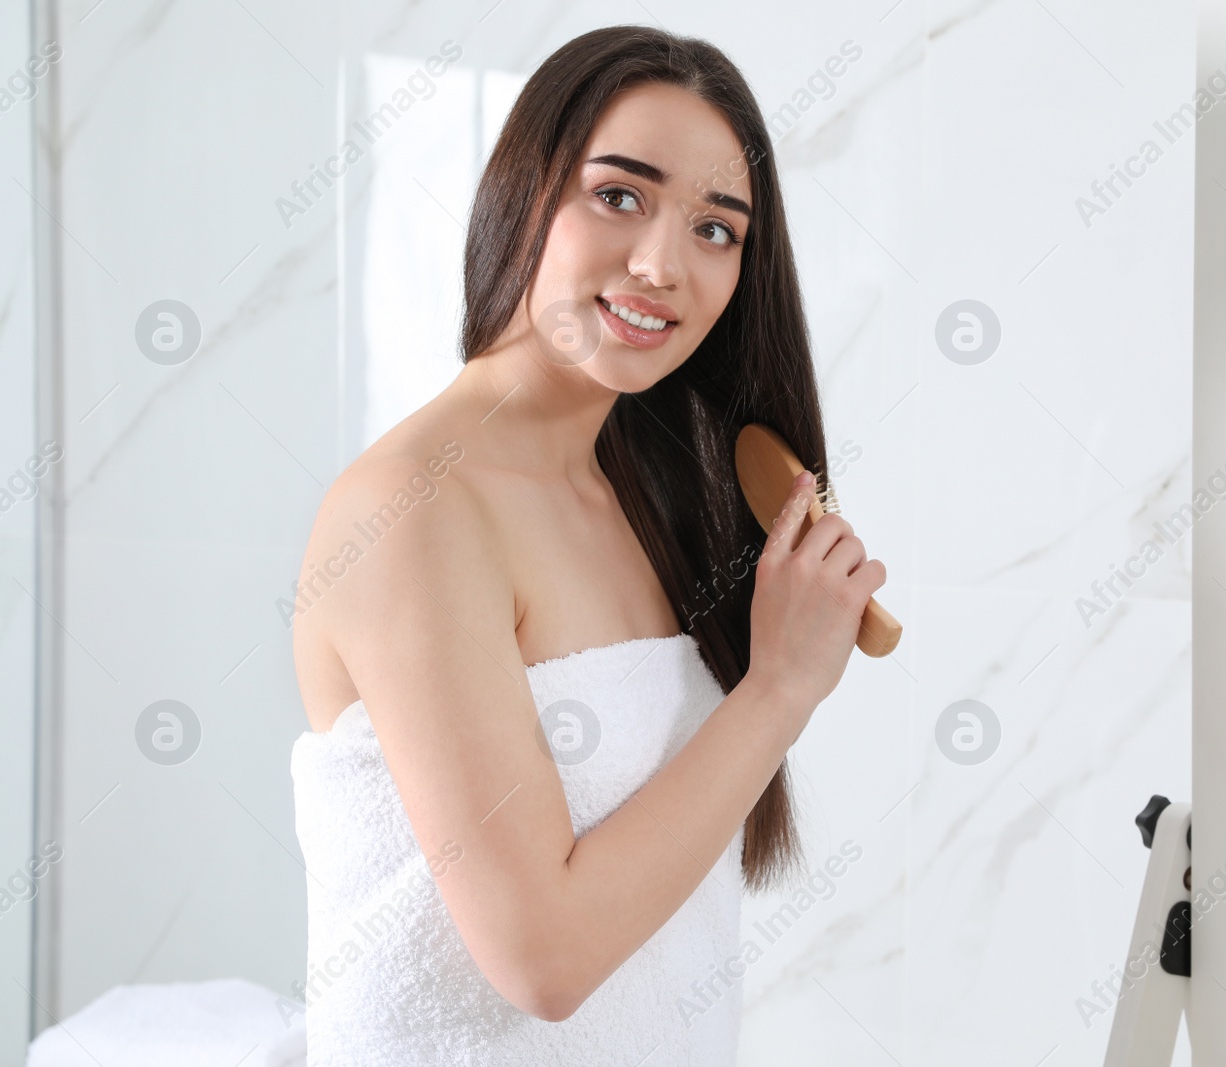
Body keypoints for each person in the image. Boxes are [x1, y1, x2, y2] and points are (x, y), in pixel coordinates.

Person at [287, 26, 886, 1064]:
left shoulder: (651, 493)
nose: (661, 263)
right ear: (523, 190)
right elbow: (542, 957)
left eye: (716, 229)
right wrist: (779, 688)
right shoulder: (413, 508)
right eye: (619, 195)